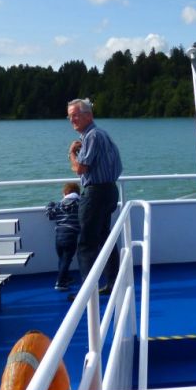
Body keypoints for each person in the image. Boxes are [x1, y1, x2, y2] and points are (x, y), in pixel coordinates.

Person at [67, 98, 123, 297]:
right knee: (103, 238)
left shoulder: (92, 136)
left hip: (96, 194)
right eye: (69, 116)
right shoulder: (103, 135)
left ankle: (87, 292)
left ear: (88, 115)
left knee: (86, 243)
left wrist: (71, 155)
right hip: (109, 191)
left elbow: (81, 168)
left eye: (75, 115)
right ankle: (113, 283)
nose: (71, 119)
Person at [45, 182, 82, 292]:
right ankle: (60, 282)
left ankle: (65, 278)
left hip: (59, 236)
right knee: (66, 259)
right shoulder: (79, 204)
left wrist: (49, 205)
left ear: (65, 193)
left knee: (62, 259)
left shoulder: (59, 205)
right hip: (71, 235)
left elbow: (50, 216)